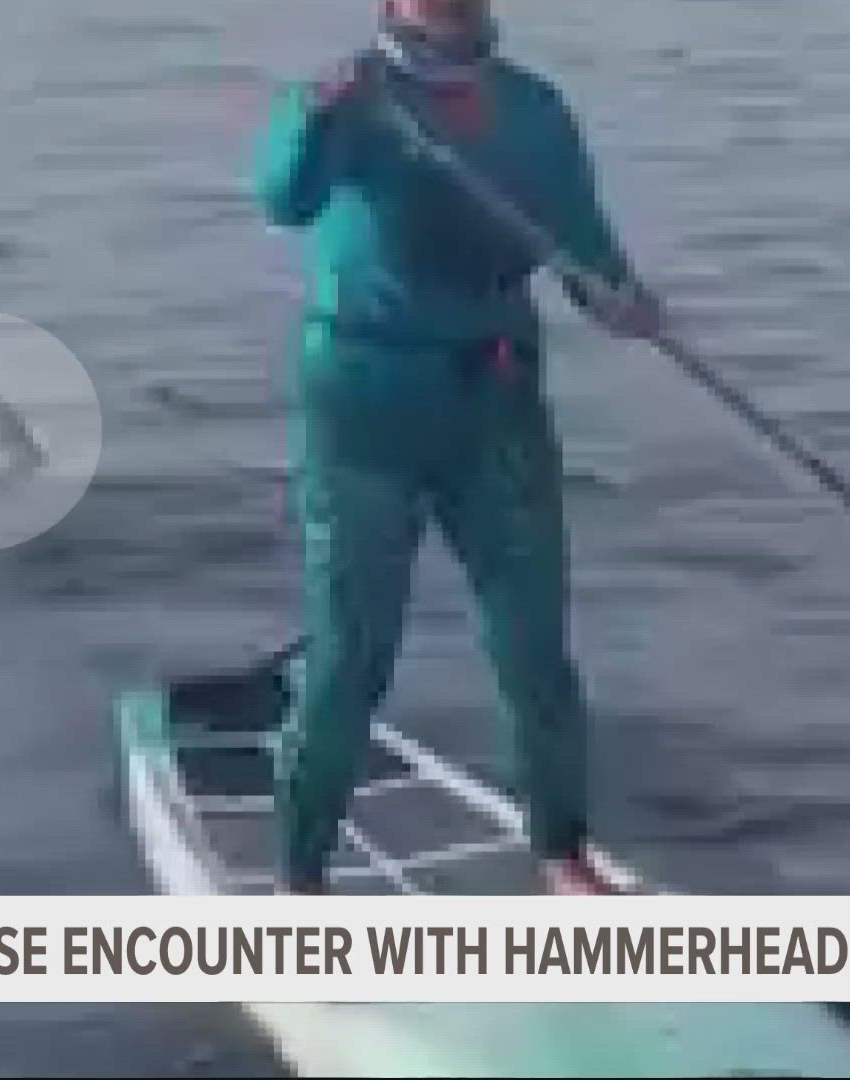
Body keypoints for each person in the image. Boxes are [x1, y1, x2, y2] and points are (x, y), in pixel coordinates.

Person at [250, 0, 664, 895]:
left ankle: (562, 853)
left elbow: (581, 241)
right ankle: (298, 885)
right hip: (364, 396)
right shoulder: (344, 98)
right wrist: (317, 118)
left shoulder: (533, 108)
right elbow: (285, 197)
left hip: (495, 397)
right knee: (352, 652)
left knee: (533, 643)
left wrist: (620, 298)